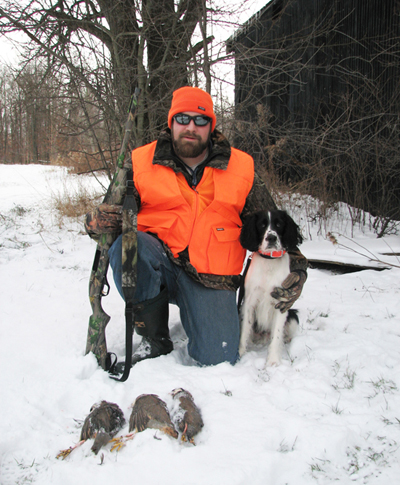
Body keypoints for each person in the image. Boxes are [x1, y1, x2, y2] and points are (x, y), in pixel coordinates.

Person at [85, 86, 307, 367]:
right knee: (128, 248)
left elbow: (276, 225)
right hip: (160, 261)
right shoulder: (141, 162)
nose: (191, 127)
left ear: (211, 126)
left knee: (219, 358)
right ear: (171, 122)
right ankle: (154, 338)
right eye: (182, 118)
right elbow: (107, 221)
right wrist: (95, 222)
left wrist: (298, 270)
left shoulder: (240, 167)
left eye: (200, 120)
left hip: (212, 277)